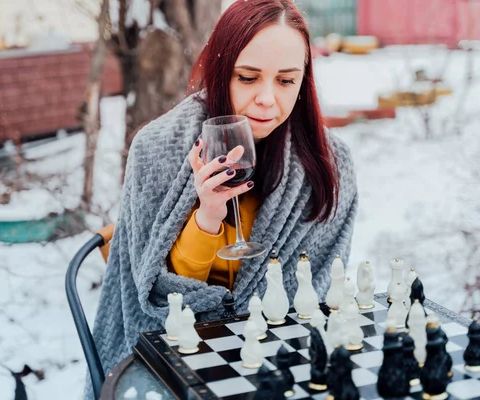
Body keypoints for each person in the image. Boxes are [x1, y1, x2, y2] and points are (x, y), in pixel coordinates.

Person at [87, 0, 357, 396]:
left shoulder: (327, 164)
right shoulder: (157, 148)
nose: (267, 98)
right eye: (248, 78)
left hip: (279, 357)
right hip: (178, 358)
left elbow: (315, 290)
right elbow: (159, 296)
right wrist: (207, 216)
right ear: (220, 72)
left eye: (286, 81)